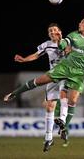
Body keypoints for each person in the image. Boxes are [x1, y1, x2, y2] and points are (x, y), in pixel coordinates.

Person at [4, 17, 84, 147]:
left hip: (76, 73)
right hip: (62, 69)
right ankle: (16, 95)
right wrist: (24, 59)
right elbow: (57, 47)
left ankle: (63, 126)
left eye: (82, 22)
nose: (79, 23)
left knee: (70, 99)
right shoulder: (70, 36)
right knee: (45, 94)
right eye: (50, 31)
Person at [12, 23, 71, 151]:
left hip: (66, 75)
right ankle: (49, 139)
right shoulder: (46, 45)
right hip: (52, 76)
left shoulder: (67, 41)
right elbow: (36, 55)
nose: (52, 32)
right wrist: (23, 59)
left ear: (59, 31)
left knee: (63, 92)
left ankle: (62, 120)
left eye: (54, 30)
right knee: (50, 107)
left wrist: (62, 41)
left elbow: (69, 52)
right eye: (50, 30)